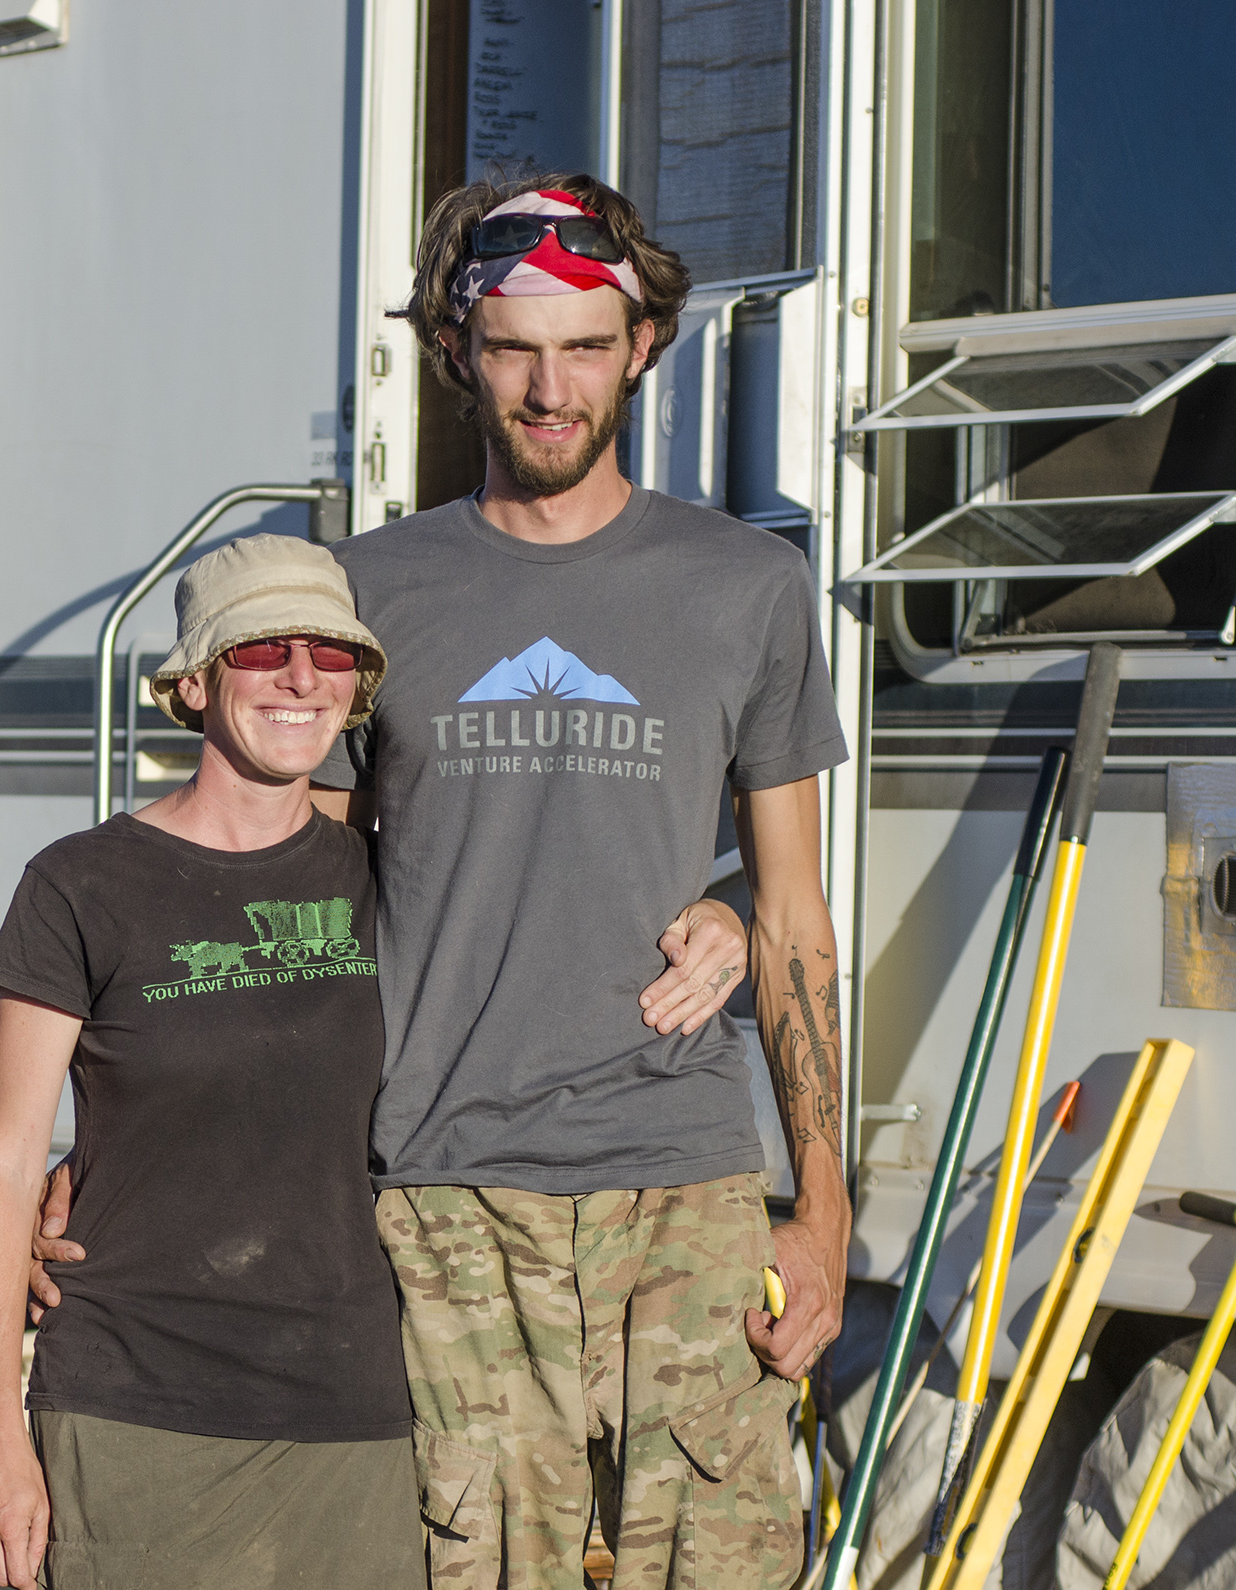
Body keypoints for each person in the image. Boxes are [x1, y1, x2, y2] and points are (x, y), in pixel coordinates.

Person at [314, 172, 853, 1588]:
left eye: (585, 343)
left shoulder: (746, 587)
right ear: (458, 351)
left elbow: (793, 910)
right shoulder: (366, 593)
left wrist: (827, 1204)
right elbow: (300, 907)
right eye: (513, 346)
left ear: (644, 345)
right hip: (444, 1199)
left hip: (683, 1180)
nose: (550, 387)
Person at [0, 535, 421, 1590]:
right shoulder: (81, 885)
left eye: (331, 654)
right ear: (195, 682)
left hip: (348, 1409)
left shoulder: (389, 878)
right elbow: (4, 1159)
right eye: (263, 652)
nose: (303, 677)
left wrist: (718, 917)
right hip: (133, 1407)